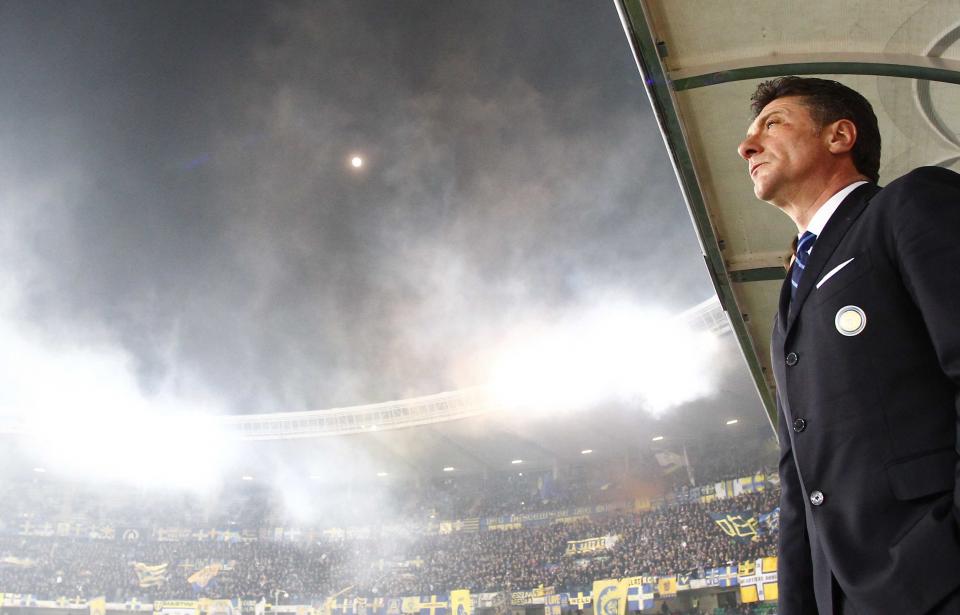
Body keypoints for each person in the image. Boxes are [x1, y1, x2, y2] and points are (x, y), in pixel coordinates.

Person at [737, 76, 960, 614]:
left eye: (772, 123)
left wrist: (946, 552)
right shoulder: (788, 304)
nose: (746, 146)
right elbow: (797, 479)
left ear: (839, 136)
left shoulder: (909, 205)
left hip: (936, 575)